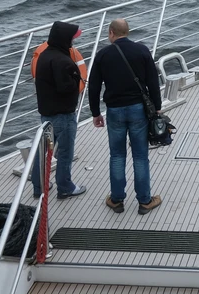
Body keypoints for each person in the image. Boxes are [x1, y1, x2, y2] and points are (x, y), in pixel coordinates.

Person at [89, 18, 162, 215]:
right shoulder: (142, 51)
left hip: (114, 111)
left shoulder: (103, 55)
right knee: (140, 156)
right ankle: (145, 201)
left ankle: (116, 199)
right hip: (138, 110)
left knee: (117, 155)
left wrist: (95, 113)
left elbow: (94, 87)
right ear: (127, 32)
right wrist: (157, 108)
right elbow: (153, 81)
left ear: (111, 32)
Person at [31, 20, 87, 200]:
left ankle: (38, 185)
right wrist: (76, 77)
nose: (73, 41)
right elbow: (67, 88)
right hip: (63, 115)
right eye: (71, 38)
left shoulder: (44, 56)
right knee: (65, 153)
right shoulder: (63, 61)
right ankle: (65, 186)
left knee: (42, 152)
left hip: (46, 114)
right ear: (64, 39)